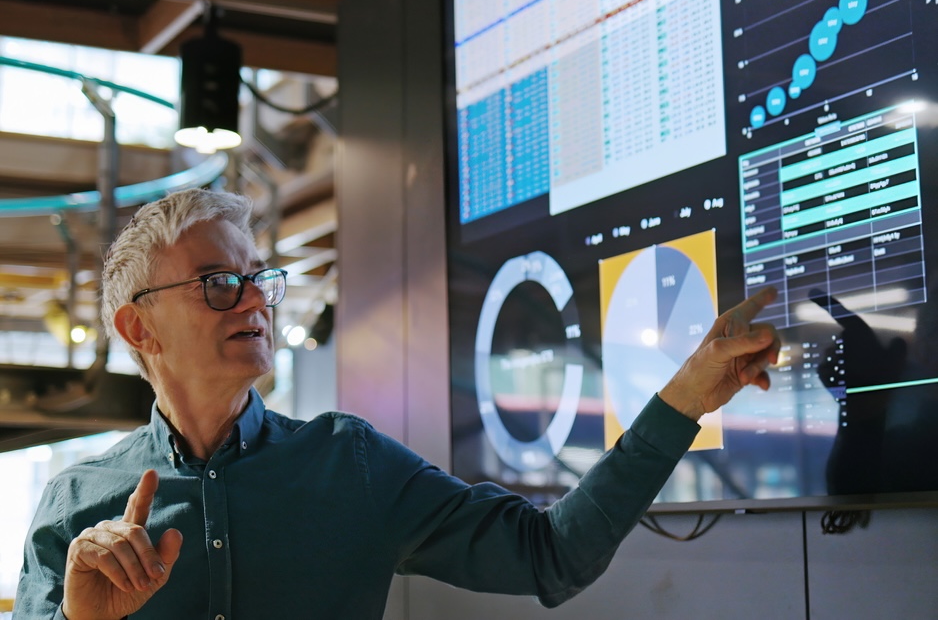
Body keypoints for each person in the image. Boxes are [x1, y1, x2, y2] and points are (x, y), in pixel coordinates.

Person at [13, 187, 780, 620]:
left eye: (259, 279)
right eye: (220, 283)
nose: (254, 300)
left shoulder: (347, 462)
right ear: (137, 325)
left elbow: (553, 554)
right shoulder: (78, 506)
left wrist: (683, 400)